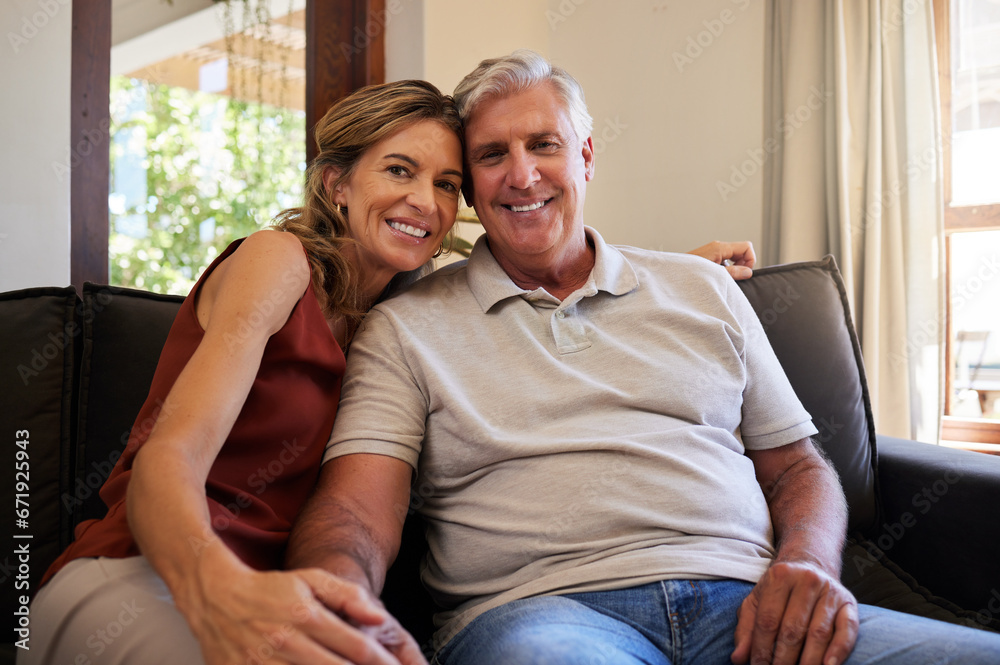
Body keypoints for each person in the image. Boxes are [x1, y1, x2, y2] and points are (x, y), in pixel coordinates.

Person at [286, 50, 1000, 665]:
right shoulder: (406, 329)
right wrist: (331, 602)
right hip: (541, 617)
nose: (523, 175)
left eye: (544, 144)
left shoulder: (700, 288)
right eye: (492, 155)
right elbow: (354, 508)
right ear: (470, 184)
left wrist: (808, 562)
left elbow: (800, 469)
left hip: (753, 605)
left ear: (586, 155)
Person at [21, 77, 748, 665]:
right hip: (140, 574)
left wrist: (679, 270)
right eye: (399, 171)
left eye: (445, 183)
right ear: (337, 183)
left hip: (272, 594)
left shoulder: (405, 319)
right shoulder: (278, 263)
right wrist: (218, 589)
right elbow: (166, 461)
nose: (424, 202)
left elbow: (544, 279)